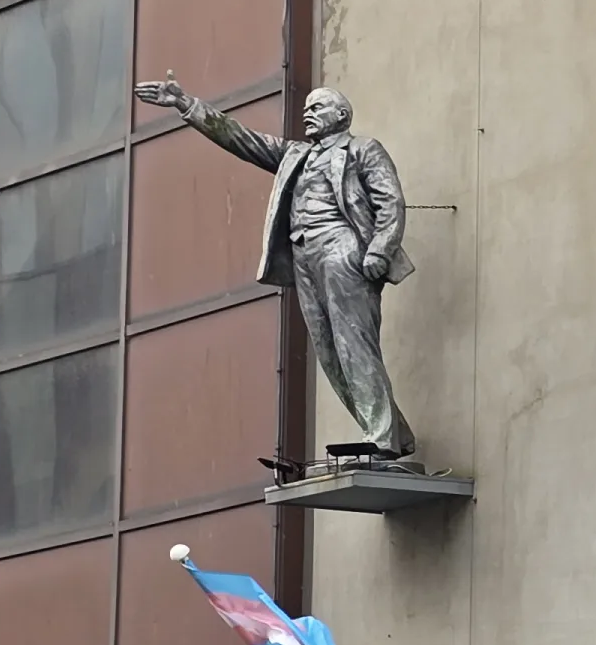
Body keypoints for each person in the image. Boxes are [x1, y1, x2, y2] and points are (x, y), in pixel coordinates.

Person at [133, 75, 418, 461]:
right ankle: (393, 433)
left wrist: (380, 251)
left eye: (317, 107)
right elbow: (241, 139)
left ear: (342, 115)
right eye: (306, 109)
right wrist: (187, 104)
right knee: (330, 353)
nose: (308, 114)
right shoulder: (294, 155)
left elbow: (390, 202)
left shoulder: (362, 149)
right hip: (304, 259)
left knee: (354, 344)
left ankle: (382, 439)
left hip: (344, 251)